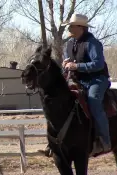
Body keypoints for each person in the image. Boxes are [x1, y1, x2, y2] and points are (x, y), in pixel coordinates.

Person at [41, 14, 111, 157]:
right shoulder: (70, 43)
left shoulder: (92, 43)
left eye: (72, 25)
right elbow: (70, 63)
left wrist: (76, 65)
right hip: (78, 80)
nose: (69, 28)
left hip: (96, 80)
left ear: (81, 28)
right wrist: (66, 64)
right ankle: (53, 142)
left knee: (94, 101)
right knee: (59, 101)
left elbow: (98, 64)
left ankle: (105, 141)